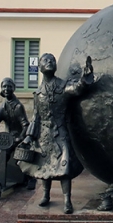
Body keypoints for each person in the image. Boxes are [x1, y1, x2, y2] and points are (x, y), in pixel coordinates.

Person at [19, 54, 94, 214]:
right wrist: (29, 136)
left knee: (63, 167)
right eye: (46, 60)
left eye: (52, 60)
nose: (50, 62)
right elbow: (36, 117)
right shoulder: (38, 93)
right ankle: (45, 195)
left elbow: (77, 89)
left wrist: (85, 78)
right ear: (39, 67)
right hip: (43, 135)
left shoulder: (62, 86)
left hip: (60, 132)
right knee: (44, 167)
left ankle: (67, 200)